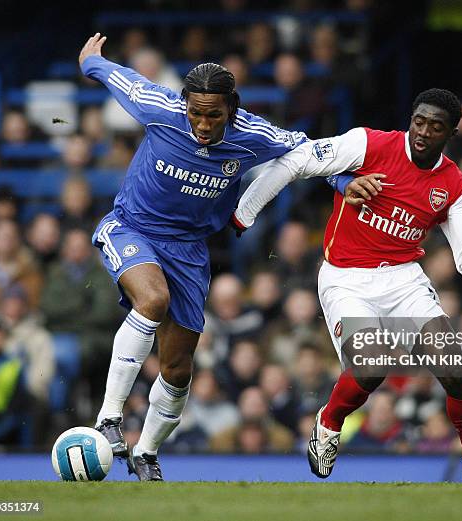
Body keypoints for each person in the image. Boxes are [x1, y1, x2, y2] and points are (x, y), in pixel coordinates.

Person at [232, 88, 462, 483]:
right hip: (346, 276)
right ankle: (329, 423)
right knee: (373, 362)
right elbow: (298, 160)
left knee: (454, 369)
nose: (423, 132)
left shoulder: (454, 185)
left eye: (436, 127)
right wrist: (245, 213)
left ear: (451, 134)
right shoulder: (368, 143)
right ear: (410, 119)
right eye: (419, 121)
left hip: (404, 280)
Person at [78, 33, 309, 481]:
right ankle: (109, 417)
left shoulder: (253, 136)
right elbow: (117, 77)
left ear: (232, 111)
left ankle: (146, 453)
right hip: (132, 228)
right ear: (185, 105)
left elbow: (307, 151)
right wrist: (92, 62)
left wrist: (343, 183)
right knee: (152, 301)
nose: (203, 124)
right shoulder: (159, 108)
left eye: (214, 116)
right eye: (196, 113)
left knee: (178, 367)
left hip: (189, 251)